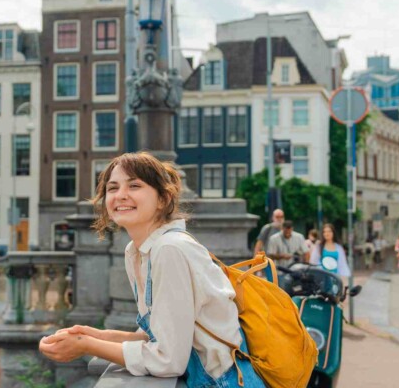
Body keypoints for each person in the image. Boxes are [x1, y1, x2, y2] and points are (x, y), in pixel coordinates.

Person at [38, 152, 265, 387]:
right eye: (112, 188)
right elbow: (161, 335)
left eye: (135, 185)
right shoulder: (137, 251)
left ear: (163, 199)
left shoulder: (170, 249)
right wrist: (97, 335)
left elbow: (168, 360)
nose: (121, 195)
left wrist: (87, 346)